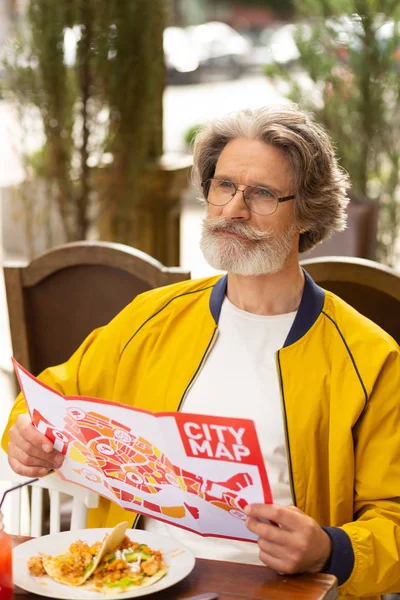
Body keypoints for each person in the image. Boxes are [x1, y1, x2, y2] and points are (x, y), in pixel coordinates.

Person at [2, 106, 400, 600]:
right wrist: (25, 433)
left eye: (262, 194)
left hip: (277, 588)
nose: (233, 209)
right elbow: (53, 396)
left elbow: (394, 519)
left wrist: (330, 548)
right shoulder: (153, 317)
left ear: (308, 213)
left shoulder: (371, 358)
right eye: (224, 185)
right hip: (133, 578)